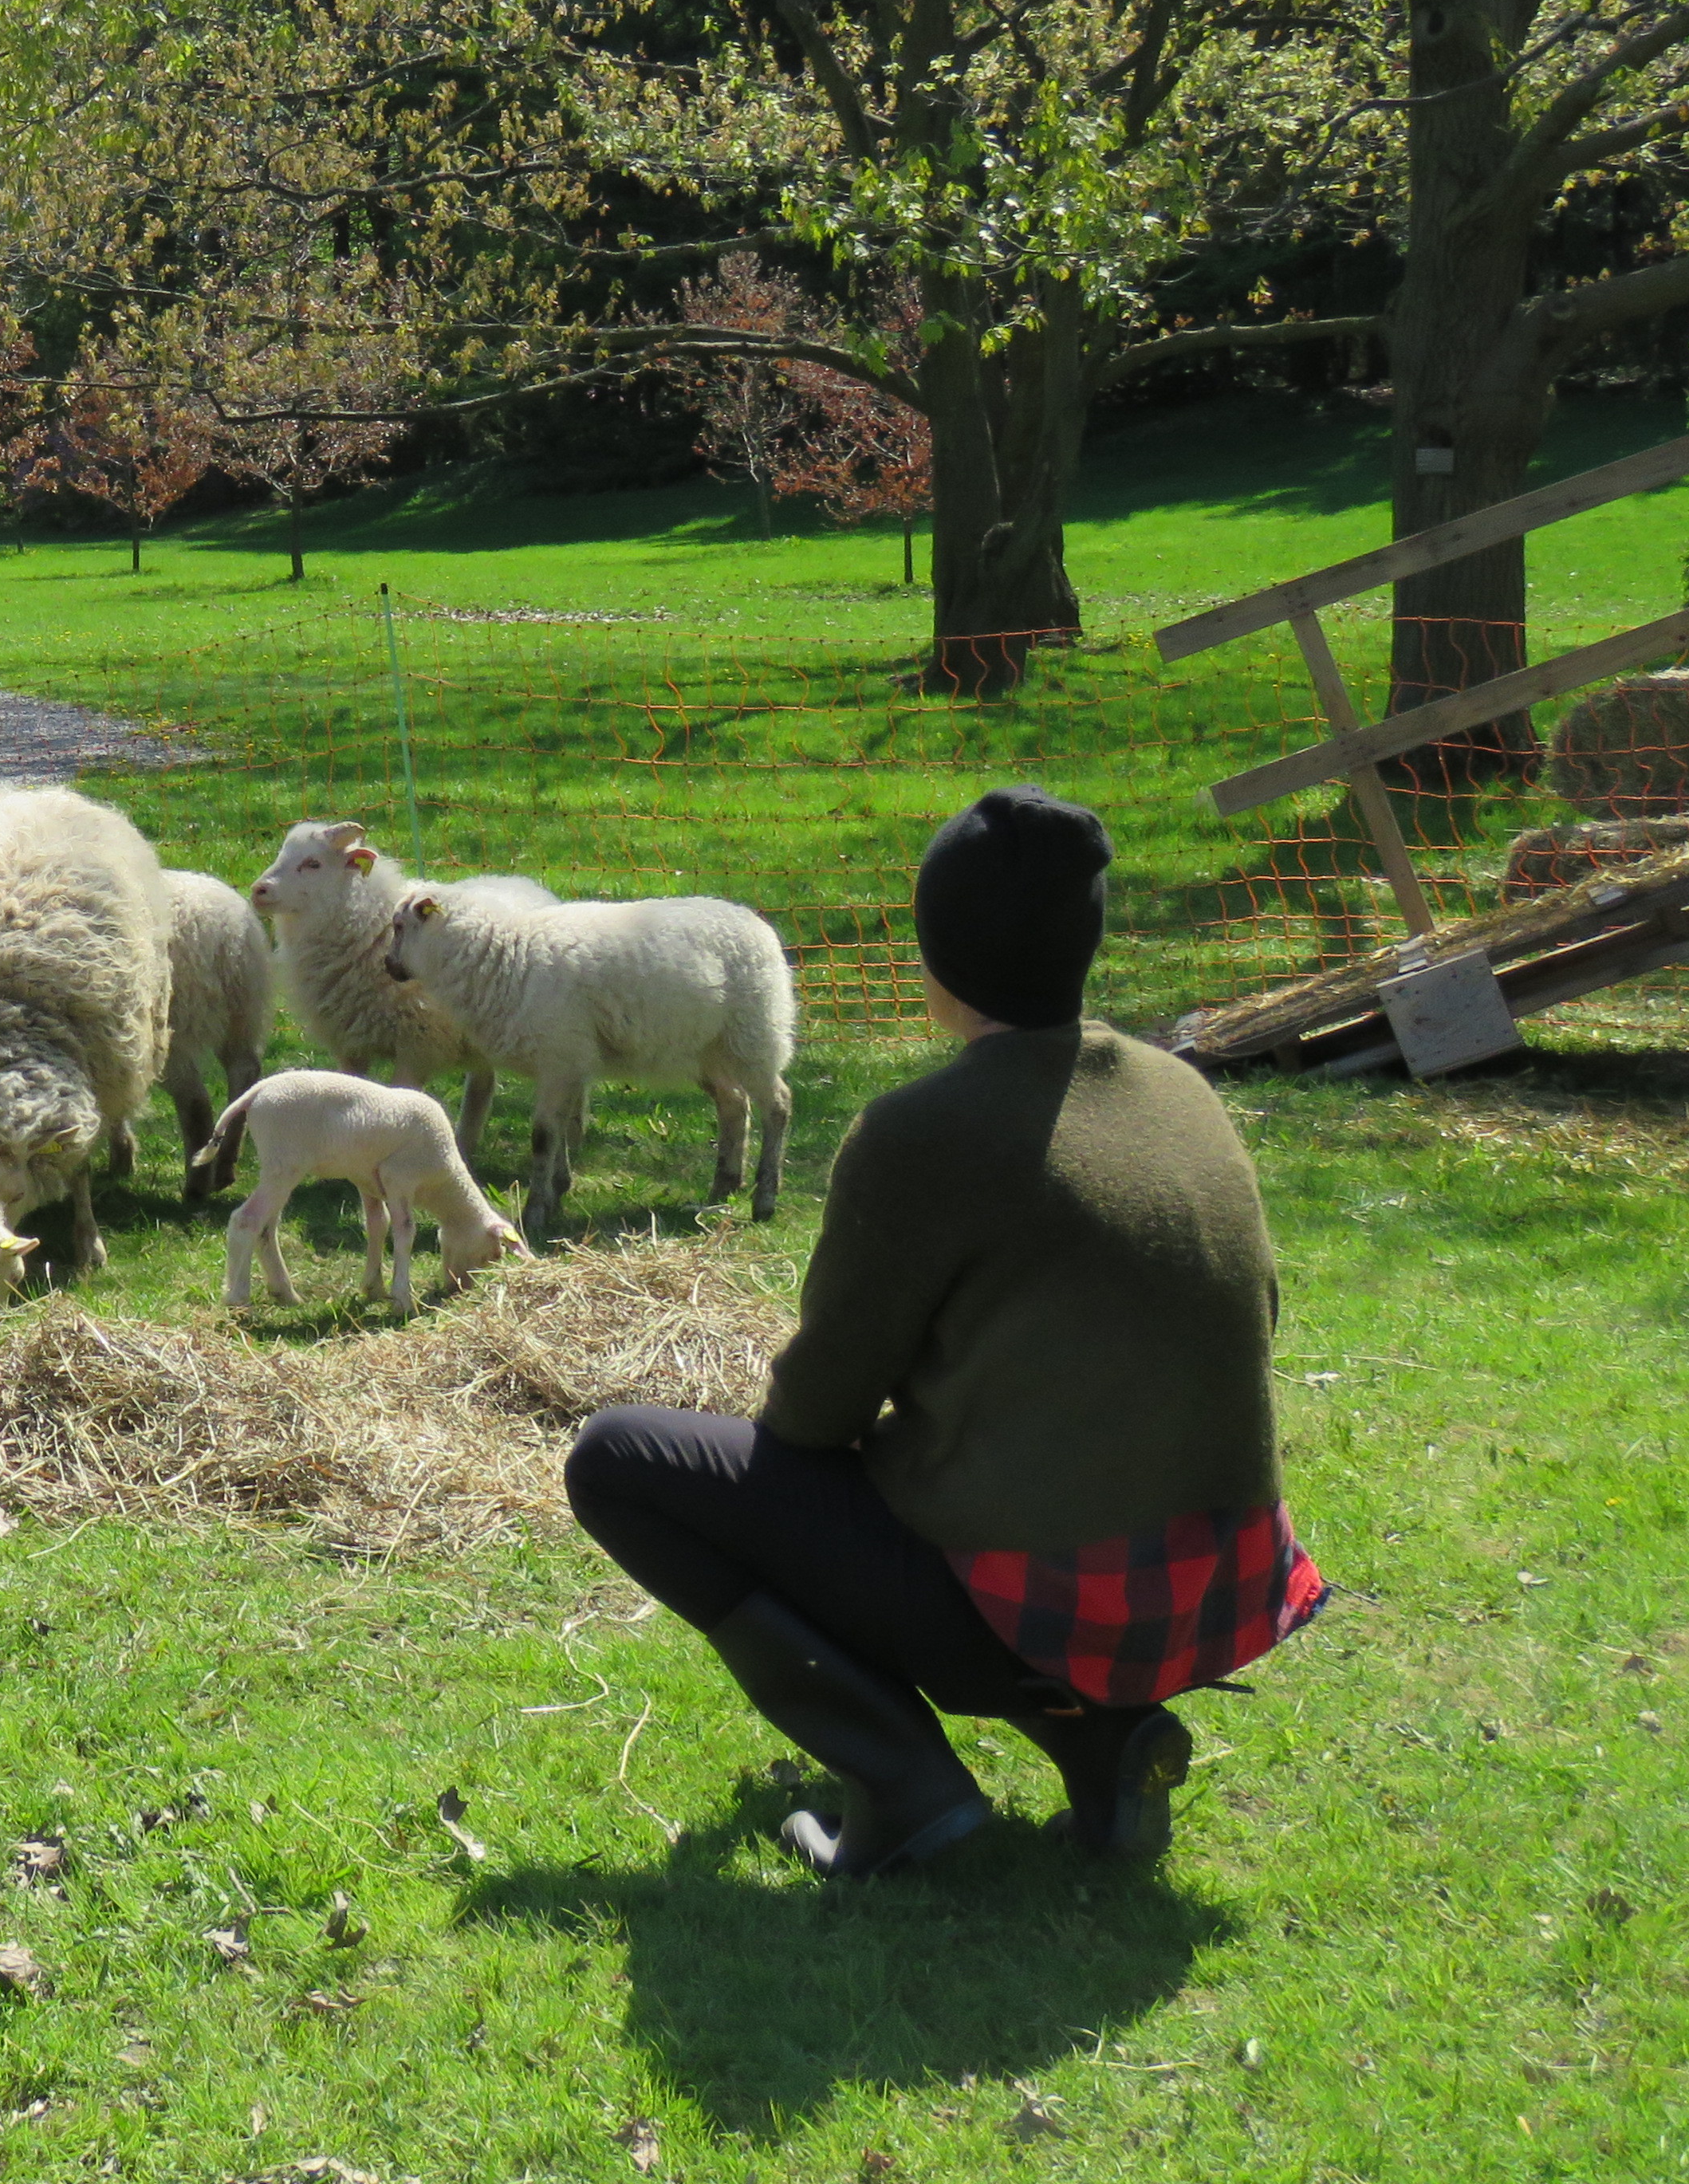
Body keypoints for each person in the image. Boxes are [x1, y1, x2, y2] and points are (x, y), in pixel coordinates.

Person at [563, 785, 1324, 1879]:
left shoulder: (921, 1136)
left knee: (621, 1461)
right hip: (1216, 1595)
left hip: (1060, 1608)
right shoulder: (1182, 1092)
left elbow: (816, 1415)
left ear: (935, 953)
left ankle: (903, 1786)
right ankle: (1101, 1739)